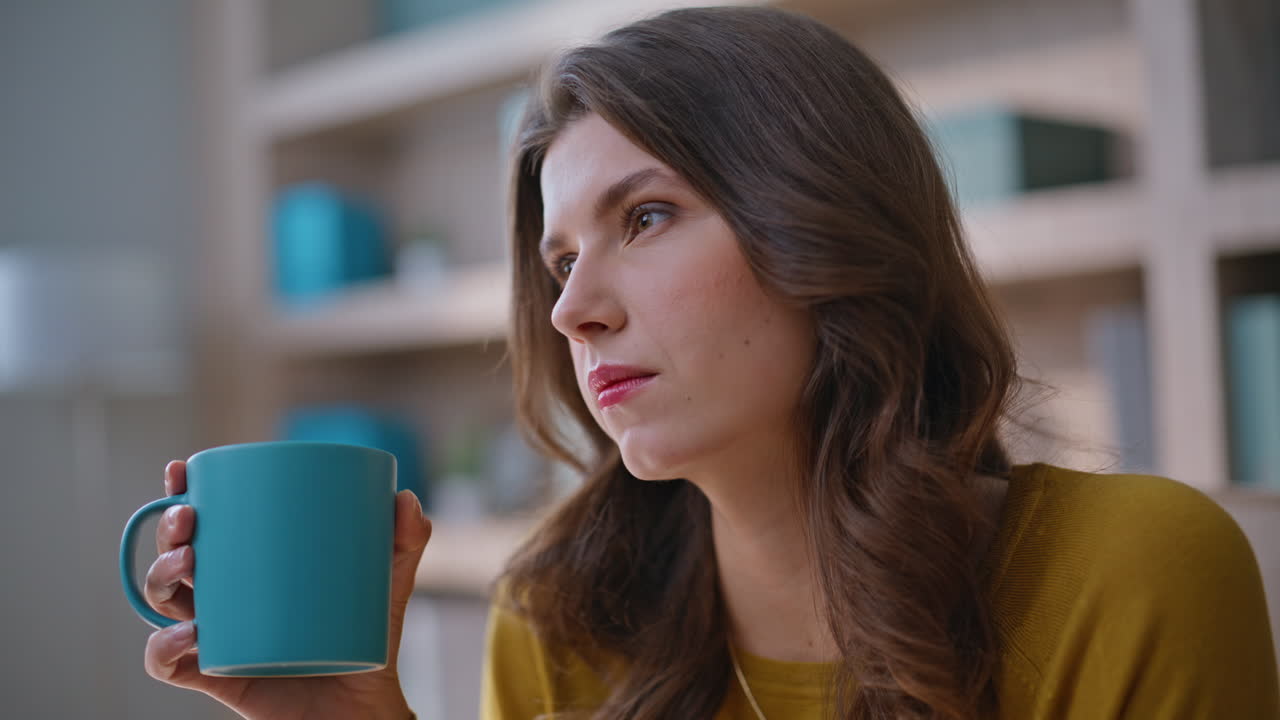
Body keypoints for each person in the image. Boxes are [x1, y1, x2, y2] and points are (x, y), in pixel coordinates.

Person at [142, 6, 1280, 719]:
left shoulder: (1130, 580)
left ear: (824, 221)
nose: (572, 312)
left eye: (642, 219)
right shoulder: (554, 628)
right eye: (556, 261)